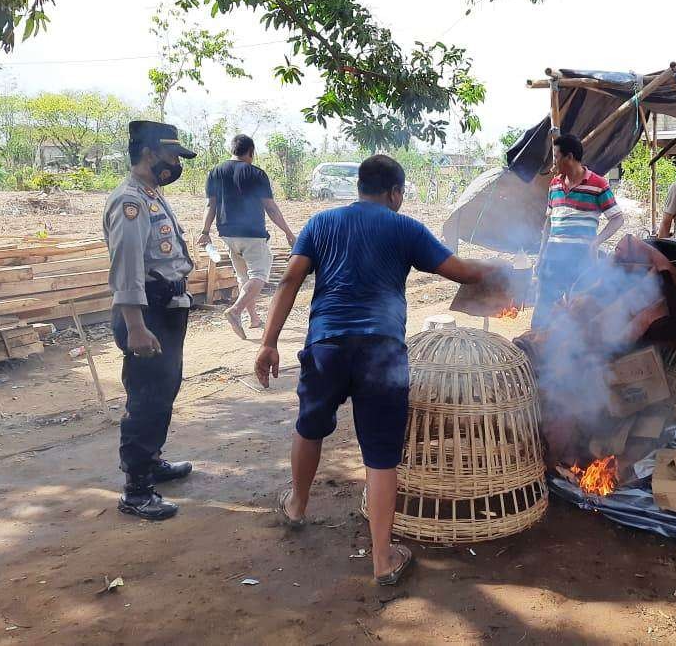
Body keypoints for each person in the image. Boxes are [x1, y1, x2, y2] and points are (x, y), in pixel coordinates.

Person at [254, 154, 494, 586]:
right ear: (395, 192)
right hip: (381, 351)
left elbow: (290, 280)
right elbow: (461, 272)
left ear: (359, 186)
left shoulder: (320, 223)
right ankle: (383, 561)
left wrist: (268, 342)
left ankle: (297, 507)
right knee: (381, 455)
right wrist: (504, 273)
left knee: (310, 427)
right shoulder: (405, 228)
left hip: (326, 346)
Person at [103, 121, 197, 521]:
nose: (176, 164)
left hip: (167, 308)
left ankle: (152, 460)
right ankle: (136, 488)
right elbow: (126, 269)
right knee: (146, 396)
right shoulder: (130, 201)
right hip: (147, 314)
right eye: (172, 156)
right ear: (148, 153)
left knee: (164, 388)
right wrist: (136, 325)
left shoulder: (151, 195)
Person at [197, 134, 297, 339]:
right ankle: (236, 310)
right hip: (252, 234)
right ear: (251, 151)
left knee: (244, 277)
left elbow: (211, 205)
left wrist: (205, 232)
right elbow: (270, 207)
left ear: (232, 150)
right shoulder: (256, 174)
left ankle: (254, 319)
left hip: (227, 234)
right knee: (259, 275)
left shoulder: (215, 172)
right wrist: (288, 232)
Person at [532, 133, 624, 330]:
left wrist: (596, 241)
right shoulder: (555, 184)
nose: (554, 162)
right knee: (543, 308)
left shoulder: (598, 184)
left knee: (578, 312)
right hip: (553, 258)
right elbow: (549, 221)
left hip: (581, 260)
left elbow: (617, 218)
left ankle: (574, 356)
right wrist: (541, 256)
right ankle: (534, 348)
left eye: (556, 157)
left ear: (570, 157)